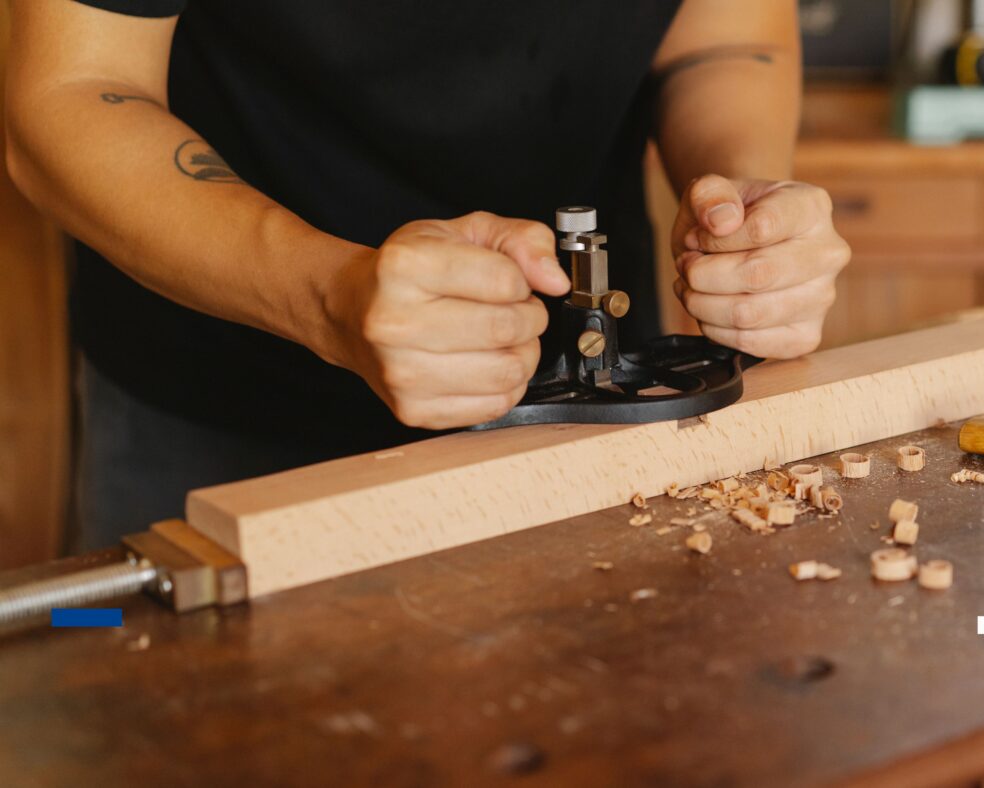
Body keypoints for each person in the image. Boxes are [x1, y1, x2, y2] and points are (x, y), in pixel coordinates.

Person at [5, 0, 851, 549]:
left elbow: (725, 35)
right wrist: (330, 296)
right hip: (223, 393)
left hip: (584, 404)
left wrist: (741, 212)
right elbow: (75, 88)